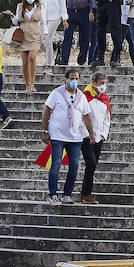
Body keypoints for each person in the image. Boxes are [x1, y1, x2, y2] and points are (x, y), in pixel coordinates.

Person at [40, 68, 95, 205]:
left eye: (76, 79)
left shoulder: (81, 96)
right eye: (71, 78)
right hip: (57, 135)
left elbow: (87, 116)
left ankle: (67, 195)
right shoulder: (56, 93)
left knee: (74, 165)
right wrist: (45, 130)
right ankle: (53, 194)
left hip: (75, 137)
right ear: (66, 79)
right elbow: (46, 111)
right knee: (56, 164)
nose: (74, 81)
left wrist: (91, 133)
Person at [4, 0, 44, 93]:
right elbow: (17, 21)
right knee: (25, 62)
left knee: (32, 57)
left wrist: (45, 34)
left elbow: (43, 21)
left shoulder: (40, 6)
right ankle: (27, 85)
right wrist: (12, 15)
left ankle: (32, 83)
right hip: (23, 35)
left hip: (35, 34)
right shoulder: (20, 6)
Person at [78, 74, 110, 205]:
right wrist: (86, 134)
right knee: (90, 163)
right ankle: (86, 194)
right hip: (86, 137)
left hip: (98, 138)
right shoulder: (85, 97)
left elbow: (107, 119)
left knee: (92, 166)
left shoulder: (104, 99)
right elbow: (79, 117)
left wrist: (103, 135)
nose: (104, 86)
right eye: (101, 83)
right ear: (94, 83)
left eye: (105, 83)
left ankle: (85, 194)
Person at [59, 0, 98, 66]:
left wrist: (92, 11)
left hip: (84, 11)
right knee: (67, 35)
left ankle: (81, 60)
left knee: (84, 38)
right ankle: (64, 59)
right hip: (70, 11)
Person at [38, 0, 65, 64]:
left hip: (55, 17)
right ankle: (51, 55)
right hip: (43, 17)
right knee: (39, 40)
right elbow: (39, 3)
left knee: (47, 39)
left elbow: (62, 2)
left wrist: (64, 18)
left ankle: (48, 65)